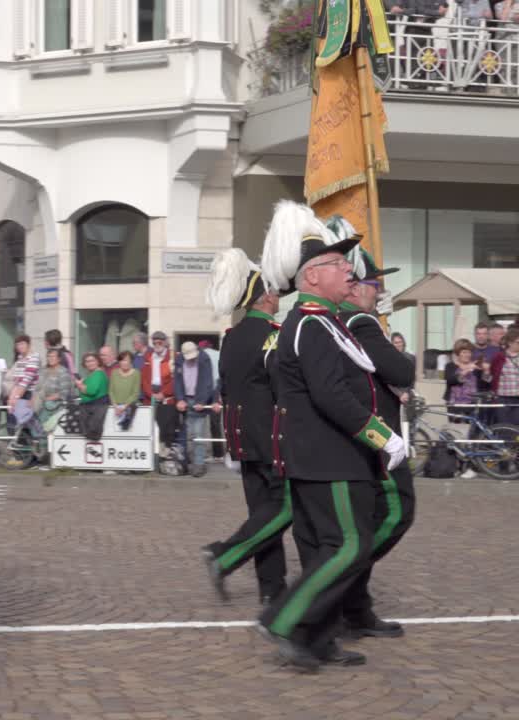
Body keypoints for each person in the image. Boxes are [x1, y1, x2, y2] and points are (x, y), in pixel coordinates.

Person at [255, 200, 407, 670]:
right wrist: (384, 436)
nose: (349, 271)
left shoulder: (322, 321)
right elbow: (332, 394)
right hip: (330, 457)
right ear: (312, 276)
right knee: (349, 546)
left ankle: (316, 640)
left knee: (332, 548)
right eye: (339, 264)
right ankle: (284, 618)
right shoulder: (312, 324)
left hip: (328, 456)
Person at [338, 244, 417, 640]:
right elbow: (400, 368)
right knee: (394, 513)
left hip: (357, 439)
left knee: (365, 522)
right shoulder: (362, 323)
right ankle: (340, 590)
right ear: (354, 288)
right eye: (373, 282)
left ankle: (356, 605)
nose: (377, 290)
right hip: (376, 441)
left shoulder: (338, 320)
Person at [201, 248, 289, 605]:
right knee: (282, 508)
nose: (280, 297)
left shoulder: (232, 337)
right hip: (272, 437)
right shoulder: (274, 335)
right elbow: (282, 388)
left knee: (262, 512)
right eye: (277, 292)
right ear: (266, 295)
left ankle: (272, 588)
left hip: (241, 436)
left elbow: (226, 386)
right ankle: (226, 554)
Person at [174, 341, 218, 476]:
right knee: (188, 435)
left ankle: (198, 464)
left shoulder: (204, 359)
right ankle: (189, 463)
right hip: (186, 399)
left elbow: (207, 381)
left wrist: (202, 401)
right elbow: (177, 380)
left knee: (198, 434)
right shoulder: (179, 360)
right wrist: (180, 398)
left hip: (199, 400)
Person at [142, 331, 179, 456]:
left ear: (165, 342)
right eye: (154, 342)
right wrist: (150, 393)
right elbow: (144, 379)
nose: (157, 344)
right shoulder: (148, 356)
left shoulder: (173, 357)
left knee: (166, 426)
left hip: (166, 395)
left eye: (160, 342)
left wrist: (164, 393)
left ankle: (166, 453)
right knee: (151, 426)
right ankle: (153, 454)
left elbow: (176, 379)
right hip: (151, 394)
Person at [487, 326, 519, 426]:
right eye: (518, 342)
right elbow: (491, 376)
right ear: (510, 343)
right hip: (503, 397)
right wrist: (486, 372)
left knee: (517, 428)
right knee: (504, 426)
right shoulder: (499, 357)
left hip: (518, 398)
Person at [108, 351, 141, 431]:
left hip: (129, 408)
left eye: (127, 360)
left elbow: (135, 393)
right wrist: (115, 406)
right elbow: (111, 391)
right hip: (115, 408)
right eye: (122, 360)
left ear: (131, 361)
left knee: (126, 432)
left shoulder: (136, 373)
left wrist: (124, 407)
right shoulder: (114, 373)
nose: (124, 362)